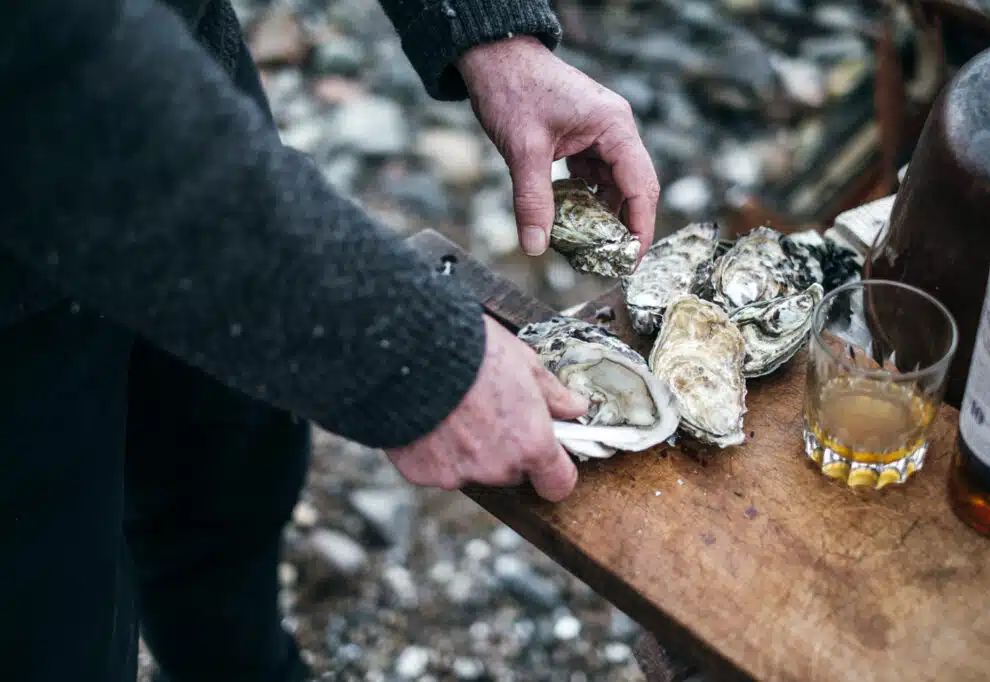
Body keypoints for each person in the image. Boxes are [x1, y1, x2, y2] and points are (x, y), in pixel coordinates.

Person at [0, 0, 659, 680]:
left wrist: (488, 31)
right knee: (55, 632)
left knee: (227, 494)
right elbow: (44, 62)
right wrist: (405, 356)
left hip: (191, 86)